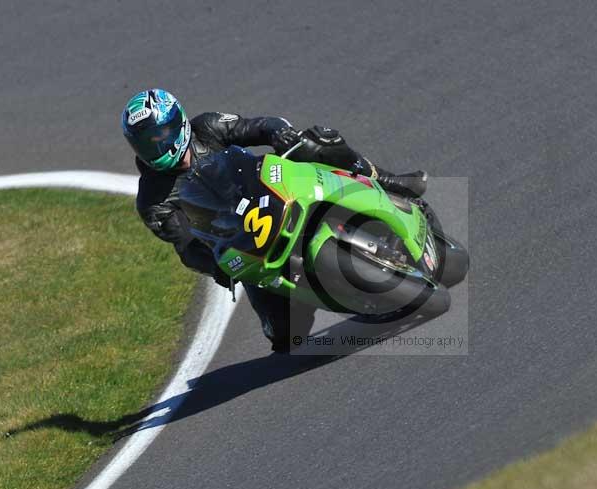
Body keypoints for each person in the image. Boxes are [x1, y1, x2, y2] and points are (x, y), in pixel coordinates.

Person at [122, 88, 427, 352]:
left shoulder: (208, 127)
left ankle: (389, 181)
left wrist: (279, 133)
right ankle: (322, 292)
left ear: (178, 123)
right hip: (243, 239)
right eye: (145, 142)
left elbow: (259, 126)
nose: (156, 147)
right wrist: (216, 266)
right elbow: (186, 244)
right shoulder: (153, 200)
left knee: (322, 142)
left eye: (159, 135)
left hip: (273, 186)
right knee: (284, 338)